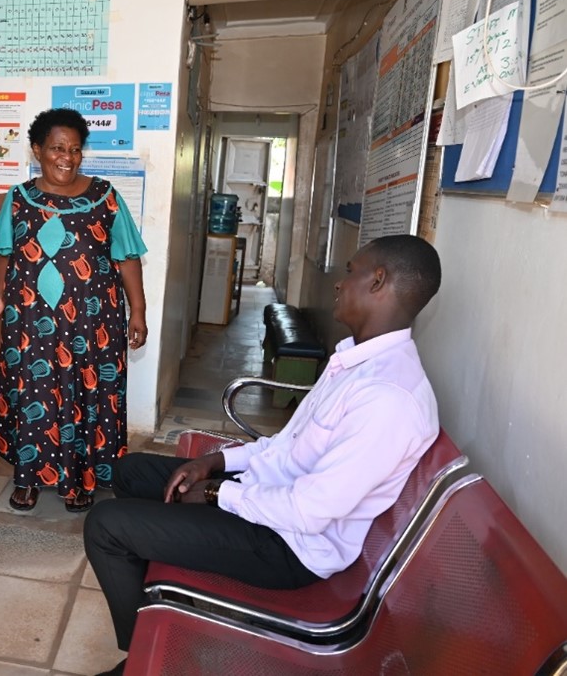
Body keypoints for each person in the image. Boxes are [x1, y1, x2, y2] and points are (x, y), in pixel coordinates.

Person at [83, 234, 442, 676]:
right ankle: (162, 611)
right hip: (270, 500)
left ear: (378, 281)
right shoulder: (355, 363)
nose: (339, 283)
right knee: (131, 471)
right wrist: (214, 464)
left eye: (351, 271)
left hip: (288, 545)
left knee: (106, 526)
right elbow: (286, 446)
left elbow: (310, 510)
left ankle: (145, 662)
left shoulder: (388, 398)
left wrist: (215, 495)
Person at [0, 108, 148, 514]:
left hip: (94, 321)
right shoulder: (19, 199)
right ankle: (29, 478)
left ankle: (81, 480)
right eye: (57, 148)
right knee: (33, 394)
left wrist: (137, 310)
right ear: (37, 150)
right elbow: (4, 255)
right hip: (30, 322)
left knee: (88, 393)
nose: (67, 157)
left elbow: (127, 258)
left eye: (75, 149)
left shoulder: (105, 196)